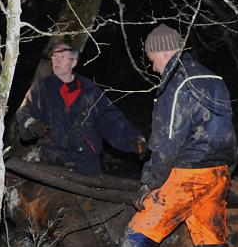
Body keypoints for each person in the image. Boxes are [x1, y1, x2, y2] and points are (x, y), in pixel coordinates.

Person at [86, 24, 238, 247]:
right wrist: (227, 171)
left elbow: (167, 142)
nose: (152, 66)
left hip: (186, 176)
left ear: (160, 51)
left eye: (150, 58)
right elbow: (228, 135)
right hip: (218, 173)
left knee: (136, 236)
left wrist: (150, 182)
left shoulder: (176, 82)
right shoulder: (214, 78)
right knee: (212, 242)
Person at [16, 43, 146, 175]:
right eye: (54, 56)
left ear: (73, 62)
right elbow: (24, 111)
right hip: (51, 157)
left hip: (86, 160)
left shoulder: (89, 90)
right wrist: (30, 123)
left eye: (62, 57)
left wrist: (133, 140)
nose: (56, 60)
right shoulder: (41, 87)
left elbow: (109, 119)